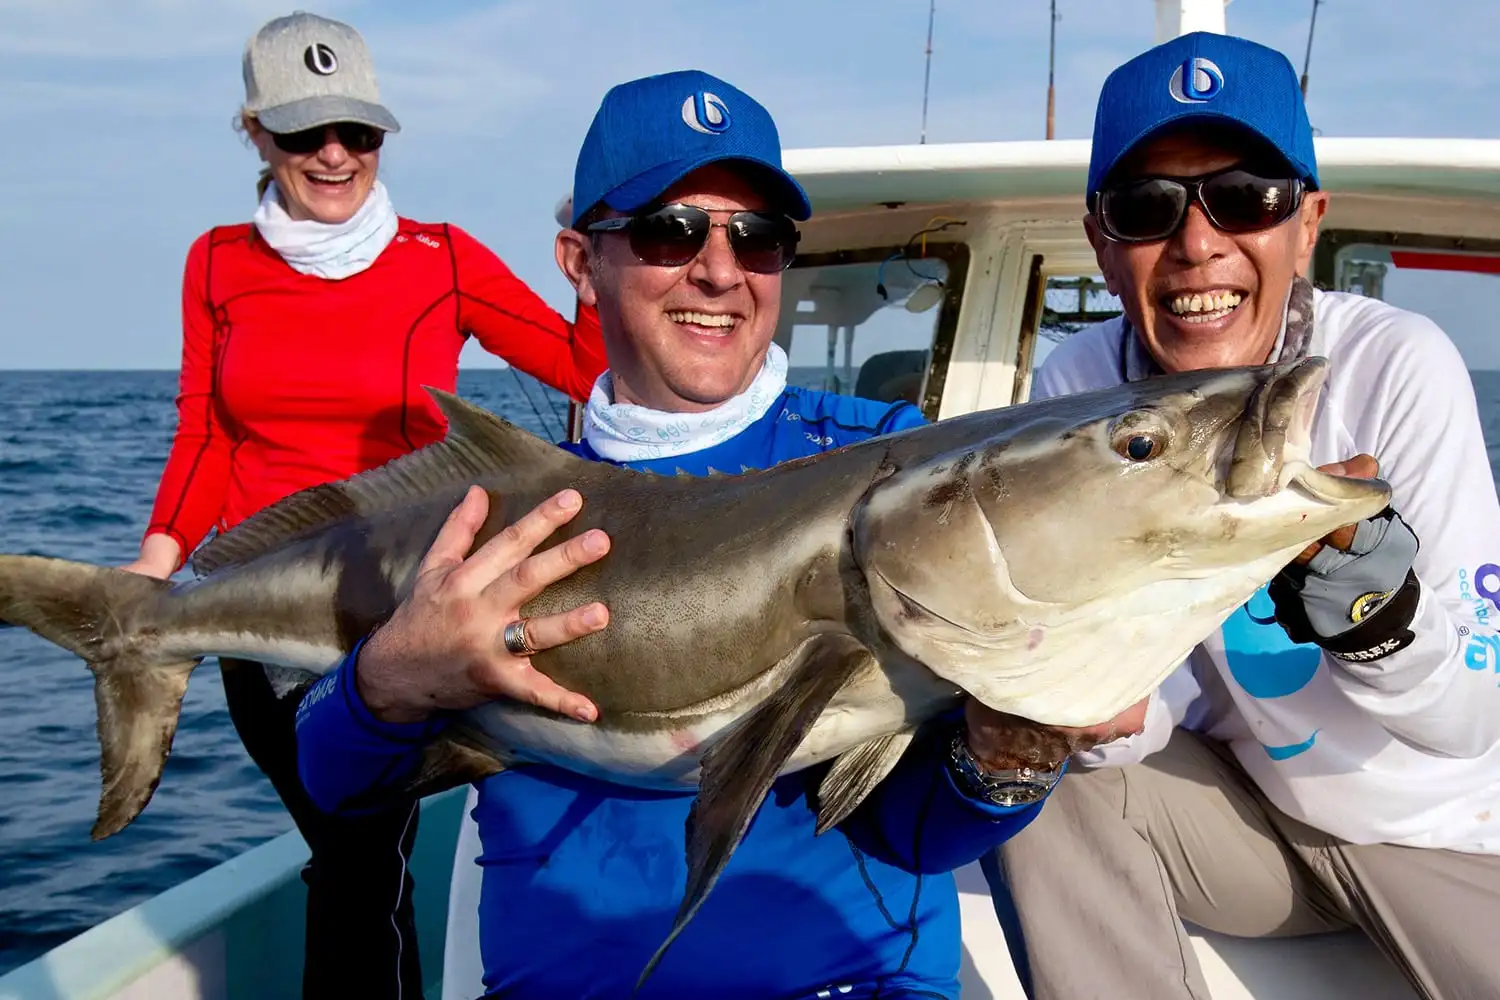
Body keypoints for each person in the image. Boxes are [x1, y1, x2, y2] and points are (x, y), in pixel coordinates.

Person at [293, 68, 1148, 999]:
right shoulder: (488, 518)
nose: (719, 268)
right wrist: (386, 680)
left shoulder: (894, 470)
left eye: (758, 238)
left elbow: (914, 835)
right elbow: (338, 786)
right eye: (670, 230)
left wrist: (1008, 751)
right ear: (579, 259)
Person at [986, 31, 1500, 1000]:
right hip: (1254, 817)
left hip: (1444, 827)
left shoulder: (1399, 363)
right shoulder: (1077, 389)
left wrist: (1381, 619)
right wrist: (1109, 708)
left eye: (1246, 197)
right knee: (1036, 767)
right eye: (1147, 208)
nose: (1197, 241)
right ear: (1101, 242)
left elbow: (1475, 717)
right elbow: (1163, 680)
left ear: (1307, 223)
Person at [121, 11, 606, 1000]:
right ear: (255, 132)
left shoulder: (445, 260)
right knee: (352, 847)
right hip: (261, 613)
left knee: (361, 849)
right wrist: (154, 570)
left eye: (359, 131)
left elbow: (585, 373)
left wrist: (591, 288)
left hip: (404, 607)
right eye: (305, 133)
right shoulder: (215, 262)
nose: (335, 154)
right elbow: (205, 435)